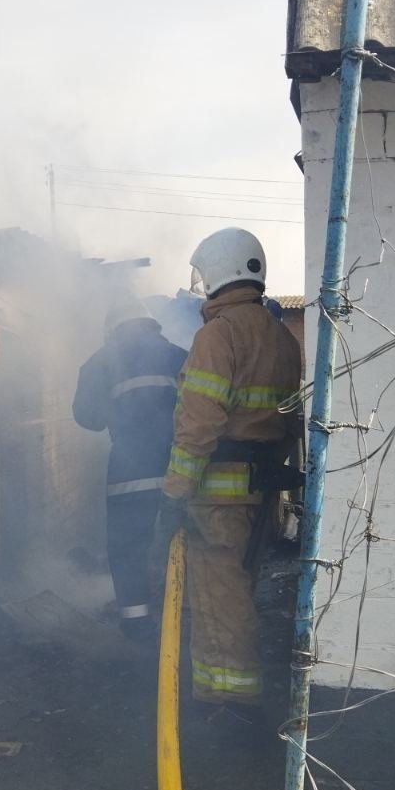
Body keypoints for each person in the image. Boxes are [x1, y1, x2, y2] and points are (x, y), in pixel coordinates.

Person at [153, 228, 302, 711]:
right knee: (239, 590)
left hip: (217, 499)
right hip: (261, 495)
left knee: (219, 600)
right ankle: (232, 695)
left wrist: (174, 492)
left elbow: (198, 425)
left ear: (221, 270)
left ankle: (228, 702)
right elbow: (288, 422)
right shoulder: (282, 337)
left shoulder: (219, 335)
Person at [72, 298, 188, 639]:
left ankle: (137, 623)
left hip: (130, 470)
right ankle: (185, 619)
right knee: (185, 542)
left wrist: (117, 410)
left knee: (128, 545)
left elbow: (87, 417)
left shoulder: (100, 361)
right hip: (182, 469)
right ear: (151, 324)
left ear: (112, 330)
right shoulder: (180, 355)